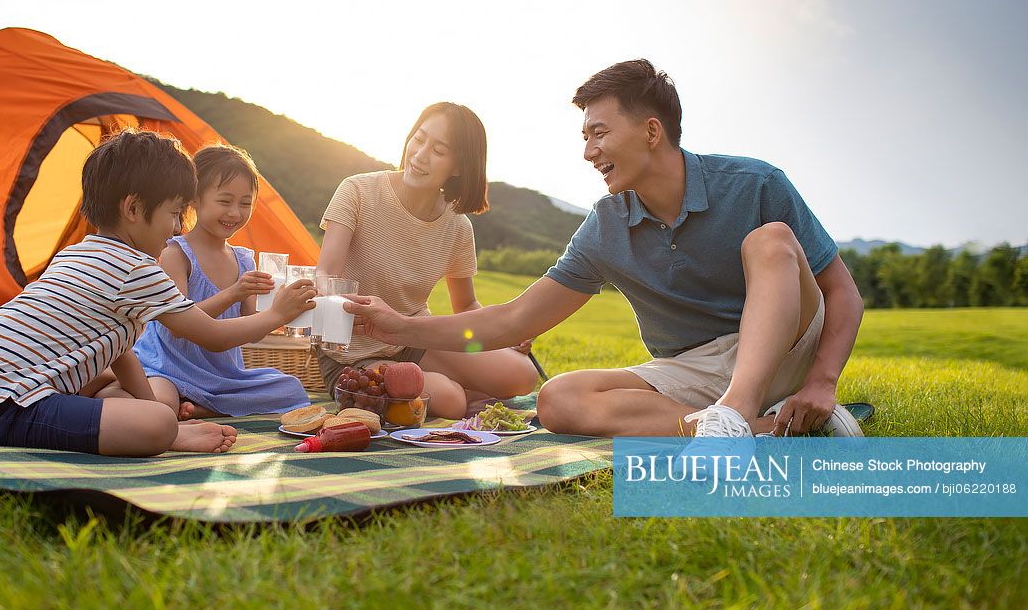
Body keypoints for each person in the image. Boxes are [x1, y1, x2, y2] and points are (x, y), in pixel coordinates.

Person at [346, 60, 865, 439]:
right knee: (558, 399)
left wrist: (821, 382)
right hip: (692, 369)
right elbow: (511, 321)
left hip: (787, 347)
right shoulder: (606, 226)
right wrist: (404, 327)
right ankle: (760, 429)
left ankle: (734, 416)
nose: (588, 151)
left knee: (770, 239)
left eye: (599, 133)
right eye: (584, 136)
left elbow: (842, 293)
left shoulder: (754, 184)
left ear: (652, 131)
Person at [0, 129, 315, 457]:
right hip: (4, 410)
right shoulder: (137, 269)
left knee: (127, 391)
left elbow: (119, 349)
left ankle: (153, 421)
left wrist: (150, 404)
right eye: (174, 214)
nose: (175, 227)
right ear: (134, 209)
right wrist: (277, 314)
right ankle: (168, 435)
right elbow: (214, 336)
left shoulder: (79, 251)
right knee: (153, 424)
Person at [317, 102, 538, 419]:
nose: (420, 155)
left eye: (439, 150)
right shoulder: (358, 190)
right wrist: (339, 304)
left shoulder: (458, 226)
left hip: (414, 339)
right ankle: (447, 388)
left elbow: (466, 307)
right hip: (352, 354)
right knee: (449, 400)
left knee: (522, 374)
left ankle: (445, 384)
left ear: (459, 166)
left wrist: (504, 337)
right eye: (418, 139)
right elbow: (326, 272)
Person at [133, 144, 311, 419]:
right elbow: (177, 328)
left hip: (220, 375)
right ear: (194, 199)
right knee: (162, 406)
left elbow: (254, 330)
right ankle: (197, 407)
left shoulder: (243, 261)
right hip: (167, 366)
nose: (234, 213)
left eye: (245, 204)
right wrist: (233, 293)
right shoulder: (175, 254)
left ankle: (202, 408)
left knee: (291, 389)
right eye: (225, 201)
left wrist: (280, 310)